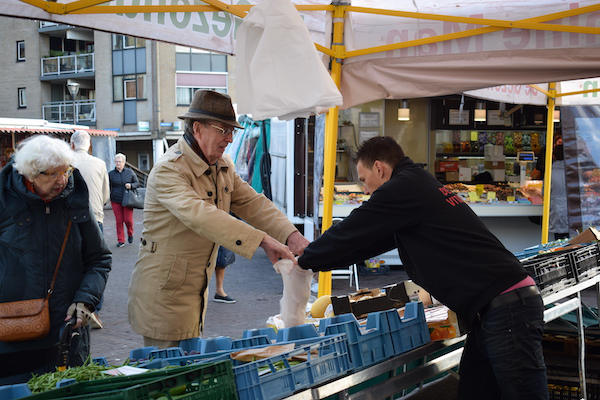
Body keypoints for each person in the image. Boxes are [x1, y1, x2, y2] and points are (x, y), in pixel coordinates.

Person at [297, 136, 548, 400]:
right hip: (492, 308)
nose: (365, 188)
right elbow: (365, 242)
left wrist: (305, 259)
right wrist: (315, 262)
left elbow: (353, 229)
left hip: (507, 307)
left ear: (379, 168)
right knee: (475, 389)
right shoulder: (416, 184)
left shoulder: (404, 187)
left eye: (363, 178)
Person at [128, 90, 309, 348]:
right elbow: (202, 216)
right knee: (167, 374)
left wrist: (292, 235)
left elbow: (252, 202)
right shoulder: (169, 169)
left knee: (188, 369)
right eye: (223, 130)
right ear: (197, 128)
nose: (230, 139)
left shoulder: (222, 165)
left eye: (231, 131)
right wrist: (262, 240)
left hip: (193, 292)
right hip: (164, 294)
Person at [0, 135, 111, 384]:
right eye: (52, 174)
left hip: (65, 337)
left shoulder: (75, 201)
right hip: (9, 338)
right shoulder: (4, 200)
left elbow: (99, 258)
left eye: (66, 171)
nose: (62, 180)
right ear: (31, 174)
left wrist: (85, 301)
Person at [70, 130, 110, 329]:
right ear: (90, 144)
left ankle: (75, 306)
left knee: (75, 264)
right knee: (97, 262)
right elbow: (105, 195)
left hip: (71, 219)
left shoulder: (65, 161)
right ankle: (94, 310)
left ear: (72, 145)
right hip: (96, 216)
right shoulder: (100, 164)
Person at [108, 153, 139, 248]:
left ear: (124, 162)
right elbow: (107, 186)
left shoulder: (130, 172)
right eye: (116, 161)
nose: (118, 163)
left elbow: (137, 183)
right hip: (115, 200)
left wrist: (131, 185)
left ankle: (130, 233)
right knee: (119, 220)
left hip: (128, 200)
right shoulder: (111, 174)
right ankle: (121, 240)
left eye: (120, 161)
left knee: (128, 220)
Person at [549, 135, 569, 240]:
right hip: (571, 214)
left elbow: (545, 194)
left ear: (553, 156)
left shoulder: (550, 173)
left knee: (558, 243)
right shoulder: (572, 172)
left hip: (556, 212)